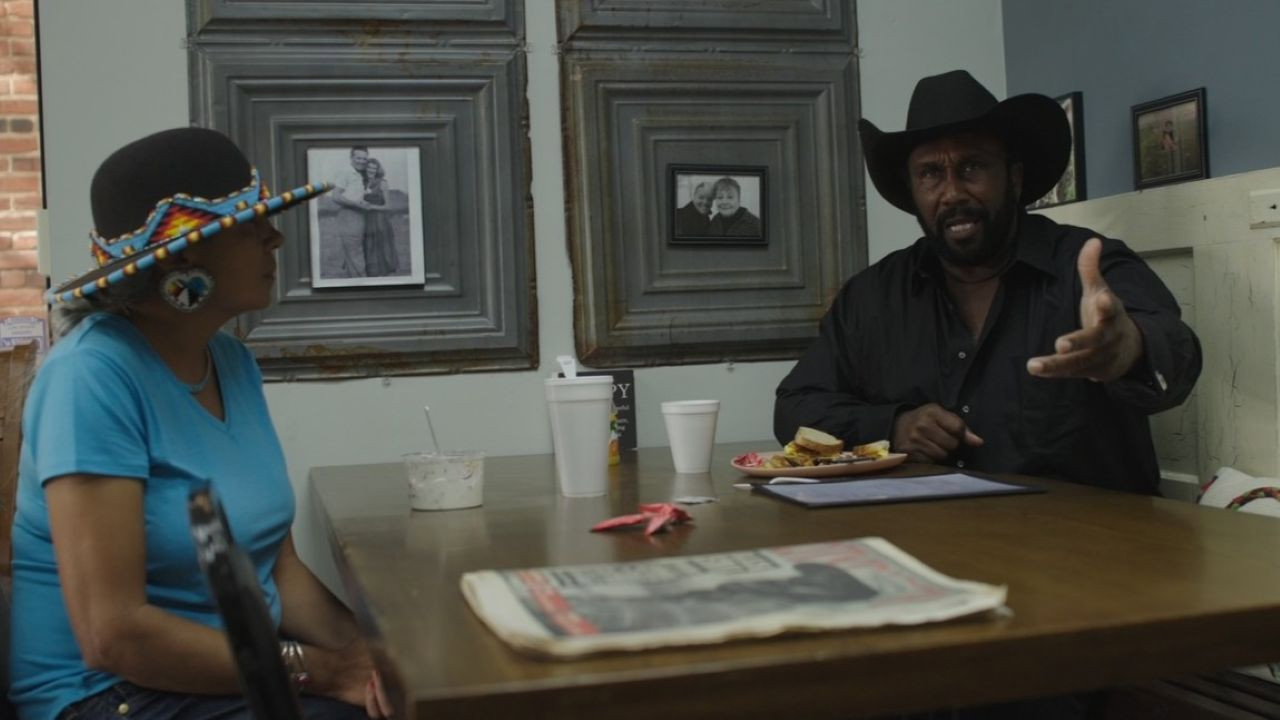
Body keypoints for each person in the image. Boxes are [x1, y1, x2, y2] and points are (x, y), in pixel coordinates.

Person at [12, 128, 393, 719]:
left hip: (233, 675)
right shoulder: (89, 377)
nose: (275, 236)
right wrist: (325, 671)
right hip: (108, 695)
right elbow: (115, 635)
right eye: (250, 226)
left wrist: (375, 660)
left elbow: (278, 568)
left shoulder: (231, 360)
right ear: (185, 256)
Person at [774, 70, 1201, 497]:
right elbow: (794, 407)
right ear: (912, 190)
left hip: (1086, 534)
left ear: (1013, 177)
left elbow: (1177, 352)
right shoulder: (873, 297)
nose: (952, 193)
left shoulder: (1090, 265)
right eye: (930, 174)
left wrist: (1127, 349)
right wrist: (892, 425)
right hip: (926, 530)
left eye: (972, 167)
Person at [329, 146, 371, 278]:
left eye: (364, 159)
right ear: (351, 158)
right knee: (355, 251)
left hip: (359, 215)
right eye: (358, 158)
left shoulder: (360, 174)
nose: (362, 161)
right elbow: (335, 196)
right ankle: (362, 282)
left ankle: (352, 282)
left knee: (354, 251)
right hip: (349, 215)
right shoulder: (346, 172)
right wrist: (356, 204)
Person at [360, 157, 399, 277]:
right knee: (368, 245)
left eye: (374, 168)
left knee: (380, 246)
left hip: (380, 219)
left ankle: (383, 274)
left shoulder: (382, 183)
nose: (371, 170)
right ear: (365, 168)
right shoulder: (362, 183)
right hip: (366, 219)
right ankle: (371, 273)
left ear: (377, 170)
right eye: (369, 167)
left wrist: (371, 207)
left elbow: (388, 206)